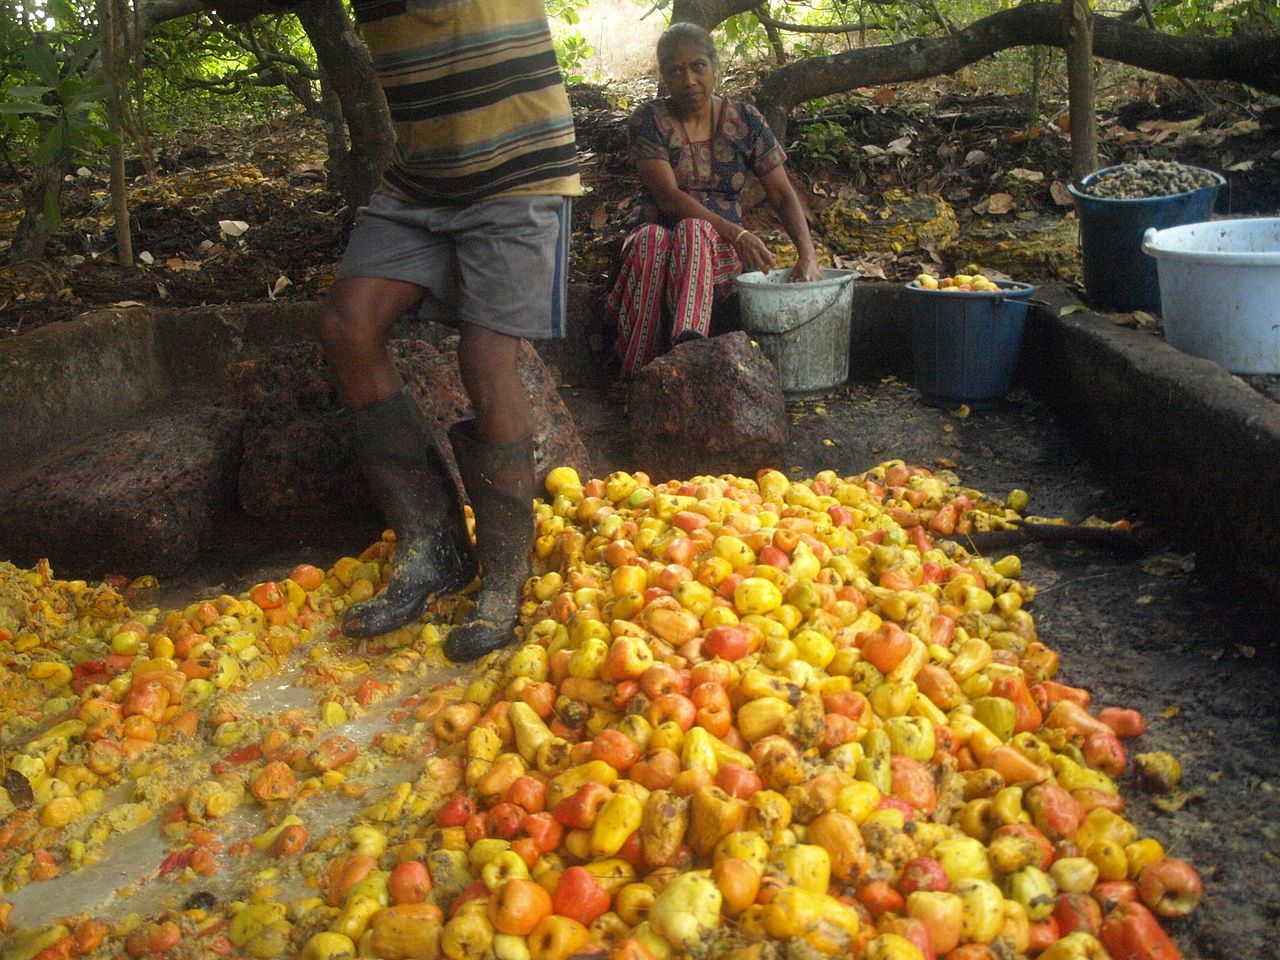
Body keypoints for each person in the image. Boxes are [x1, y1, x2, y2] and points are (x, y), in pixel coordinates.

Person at [314, 0, 581, 661]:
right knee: (348, 327)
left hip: (518, 167)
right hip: (422, 183)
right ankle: (433, 548)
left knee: (485, 354)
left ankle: (506, 574)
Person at [604, 22, 821, 379]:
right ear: (665, 77)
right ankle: (638, 376)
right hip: (654, 251)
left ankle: (689, 356)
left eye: (698, 67)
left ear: (714, 67)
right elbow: (669, 198)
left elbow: (781, 193)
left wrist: (807, 256)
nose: (689, 79)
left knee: (694, 231)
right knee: (652, 238)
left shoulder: (745, 120)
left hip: (716, 258)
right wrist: (736, 232)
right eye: (676, 70)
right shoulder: (649, 121)